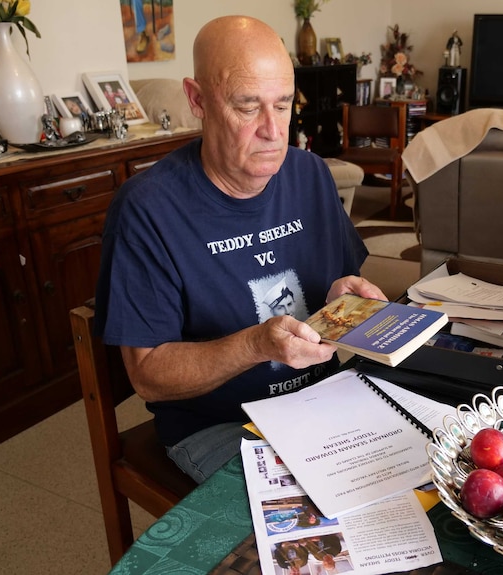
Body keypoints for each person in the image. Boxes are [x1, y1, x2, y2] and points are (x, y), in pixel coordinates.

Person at [94, 15, 385, 484]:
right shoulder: (147, 210)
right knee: (320, 533)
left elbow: (328, 289)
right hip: (219, 424)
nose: (273, 131)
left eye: (284, 104)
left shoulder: (309, 173)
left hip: (321, 398)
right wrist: (255, 344)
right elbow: (147, 374)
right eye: (248, 106)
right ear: (197, 100)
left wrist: (342, 298)